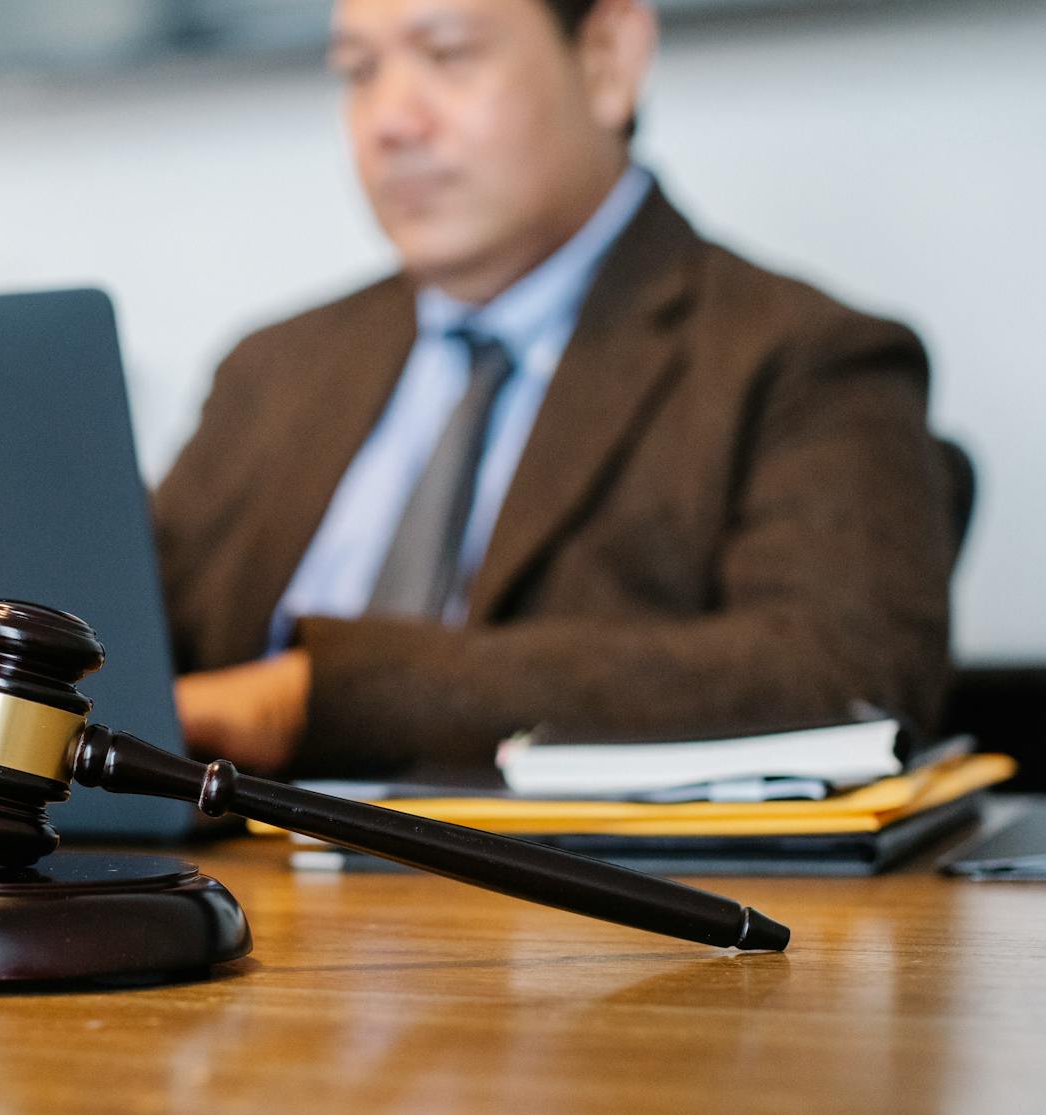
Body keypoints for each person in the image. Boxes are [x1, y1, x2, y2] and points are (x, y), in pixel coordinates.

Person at [155, 0, 956, 779]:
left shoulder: (802, 356)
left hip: (563, 906)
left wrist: (319, 696)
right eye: (359, 71)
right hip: (212, 894)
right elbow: (118, 638)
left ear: (607, 61)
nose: (389, 122)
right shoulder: (271, 370)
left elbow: (844, 672)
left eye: (449, 54)